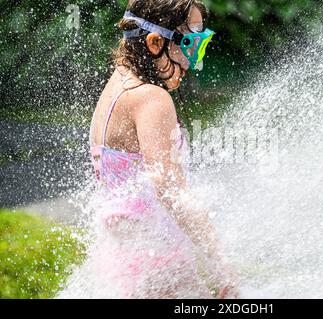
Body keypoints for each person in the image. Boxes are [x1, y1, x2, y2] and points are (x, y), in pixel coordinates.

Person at [85, 0, 238, 299]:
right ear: (156, 43)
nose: (193, 61)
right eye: (191, 45)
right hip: (156, 260)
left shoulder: (117, 85)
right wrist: (221, 264)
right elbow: (170, 189)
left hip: (128, 255)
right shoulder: (151, 99)